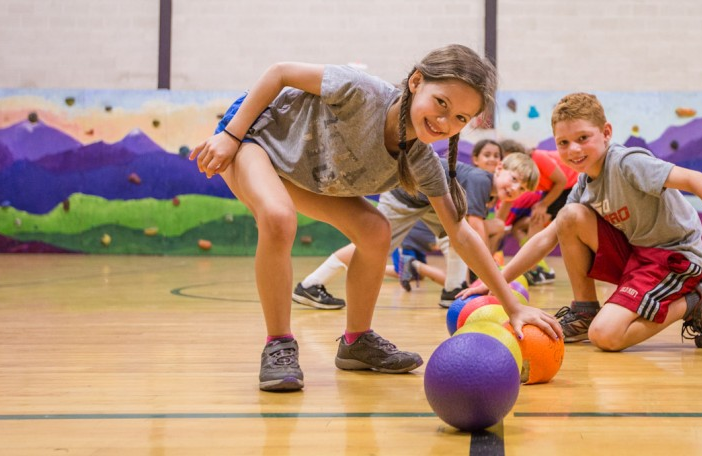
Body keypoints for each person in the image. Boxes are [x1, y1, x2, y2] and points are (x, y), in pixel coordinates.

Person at [189, 44, 561, 392]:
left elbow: (461, 234)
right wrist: (232, 135)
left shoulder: (422, 162)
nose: (445, 121)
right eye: (441, 103)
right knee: (277, 217)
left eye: (460, 117)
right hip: (253, 139)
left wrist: (512, 305)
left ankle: (357, 341)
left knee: (375, 230)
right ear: (416, 82)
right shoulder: (359, 90)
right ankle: (279, 344)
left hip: (299, 172)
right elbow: (280, 72)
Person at [462, 92, 702, 352]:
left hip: (672, 257)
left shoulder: (627, 163)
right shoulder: (583, 184)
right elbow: (545, 238)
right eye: (564, 142)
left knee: (605, 336)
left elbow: (693, 178)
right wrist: (494, 282)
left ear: (606, 133)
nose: (574, 149)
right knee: (568, 216)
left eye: (583, 138)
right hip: (637, 254)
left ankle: (696, 299)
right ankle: (584, 310)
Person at [294, 152, 538, 309]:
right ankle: (311, 284)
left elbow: (466, 230)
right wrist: (492, 277)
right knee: (374, 246)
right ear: (499, 168)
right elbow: (475, 230)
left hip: (430, 201)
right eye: (514, 179)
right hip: (407, 195)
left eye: (522, 188)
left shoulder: (489, 192)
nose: (515, 188)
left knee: (454, 237)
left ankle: (453, 290)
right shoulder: (481, 181)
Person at [490, 140, 578, 286]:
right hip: (554, 189)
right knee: (518, 227)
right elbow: (501, 221)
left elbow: (561, 180)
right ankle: (537, 267)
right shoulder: (516, 182)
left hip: (568, 185)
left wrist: (543, 205)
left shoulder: (537, 157)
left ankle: (533, 268)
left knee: (537, 219)